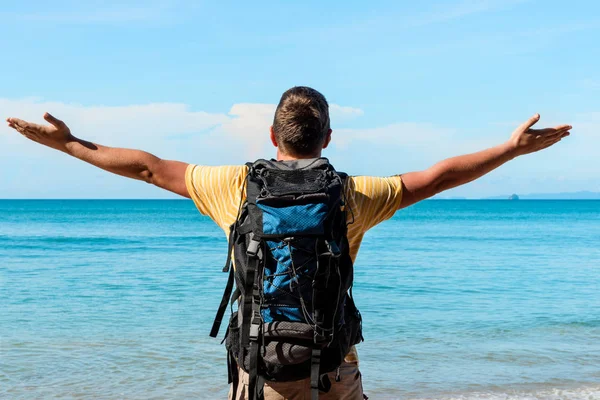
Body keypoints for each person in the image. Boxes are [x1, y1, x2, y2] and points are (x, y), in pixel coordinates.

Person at [6, 86, 571, 399]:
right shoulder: (354, 194)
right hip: (334, 368)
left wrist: (69, 145)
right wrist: (510, 150)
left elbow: (149, 169)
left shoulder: (232, 186)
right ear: (327, 137)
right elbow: (440, 175)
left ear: (272, 137)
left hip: (262, 372)